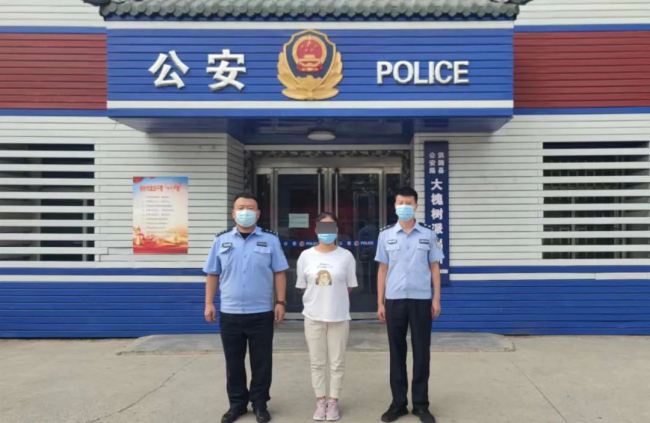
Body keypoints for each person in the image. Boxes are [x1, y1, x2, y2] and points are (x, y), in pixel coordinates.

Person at [203, 192, 289, 423]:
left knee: (262, 362)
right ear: (233, 213)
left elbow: (279, 273)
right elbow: (212, 274)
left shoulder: (270, 240)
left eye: (250, 208)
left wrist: (280, 302)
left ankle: (260, 404)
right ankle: (237, 404)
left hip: (260, 312)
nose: (245, 212)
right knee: (233, 363)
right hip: (230, 313)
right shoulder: (221, 240)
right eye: (241, 208)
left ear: (258, 214)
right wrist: (209, 303)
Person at [375, 187, 444, 423]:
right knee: (397, 352)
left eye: (408, 203)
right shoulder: (385, 235)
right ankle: (398, 404)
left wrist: (436, 299)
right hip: (394, 300)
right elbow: (382, 269)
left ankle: (421, 405)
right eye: (400, 203)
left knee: (422, 352)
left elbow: (435, 267)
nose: (404, 206)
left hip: (421, 300)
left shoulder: (428, 234)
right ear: (395, 206)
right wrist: (380, 302)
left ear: (416, 206)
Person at [295, 212, 358, 421]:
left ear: (337, 230)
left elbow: (348, 286)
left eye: (331, 227)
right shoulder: (306, 256)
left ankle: (333, 402)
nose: (327, 232)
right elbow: (303, 286)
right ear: (315, 230)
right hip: (313, 316)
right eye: (323, 227)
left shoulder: (346, 256)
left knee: (337, 362)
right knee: (317, 362)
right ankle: (320, 401)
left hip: (338, 316)